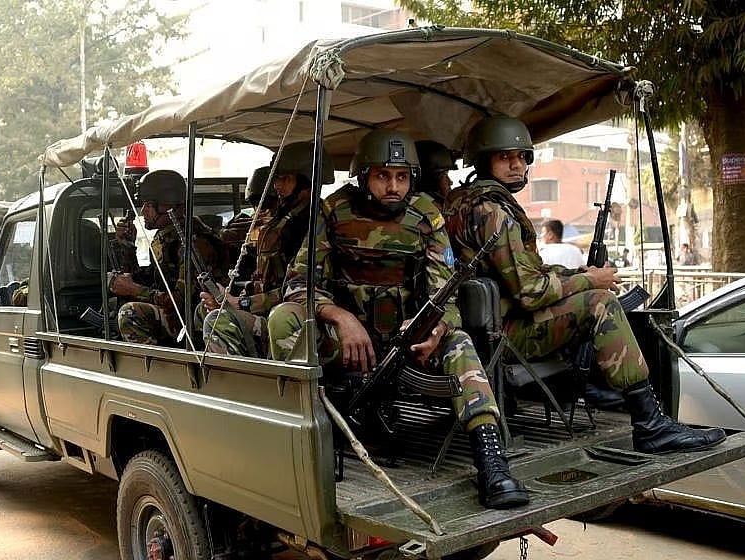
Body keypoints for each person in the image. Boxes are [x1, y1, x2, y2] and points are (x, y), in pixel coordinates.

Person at [267, 129, 529, 509]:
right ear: (364, 177)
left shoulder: (427, 215)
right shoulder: (332, 211)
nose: (393, 186)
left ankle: (492, 462)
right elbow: (298, 283)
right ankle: (303, 436)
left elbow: (447, 294)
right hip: (347, 338)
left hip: (409, 337)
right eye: (383, 176)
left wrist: (435, 329)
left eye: (402, 176)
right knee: (282, 319)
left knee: (461, 344)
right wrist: (340, 316)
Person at [444, 115, 726, 454]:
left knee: (593, 294)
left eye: (521, 157)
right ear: (484, 158)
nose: (516, 165)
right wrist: (589, 280)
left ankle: (614, 399)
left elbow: (524, 270)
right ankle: (650, 424)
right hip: (503, 331)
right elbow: (530, 292)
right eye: (505, 157)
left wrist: (571, 274)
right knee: (600, 304)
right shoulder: (494, 211)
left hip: (484, 326)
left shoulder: (465, 201)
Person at [202, 142, 333, 358]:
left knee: (219, 321)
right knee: (209, 313)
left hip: (297, 321)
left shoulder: (311, 224)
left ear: (307, 182)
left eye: (286, 179)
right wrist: (232, 297)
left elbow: (300, 289)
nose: (277, 187)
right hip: (270, 311)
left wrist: (243, 303)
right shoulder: (283, 220)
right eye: (277, 179)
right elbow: (268, 278)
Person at [111, 169, 228, 346]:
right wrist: (128, 246)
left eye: (148, 205)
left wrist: (133, 290)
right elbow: (150, 283)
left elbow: (179, 301)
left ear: (169, 206)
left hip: (194, 321)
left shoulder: (193, 243)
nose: (143, 211)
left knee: (130, 313)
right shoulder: (167, 239)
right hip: (179, 318)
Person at [219, 165, 278, 280]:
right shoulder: (242, 222)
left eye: (268, 203)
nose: (260, 208)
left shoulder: (287, 226)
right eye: (255, 202)